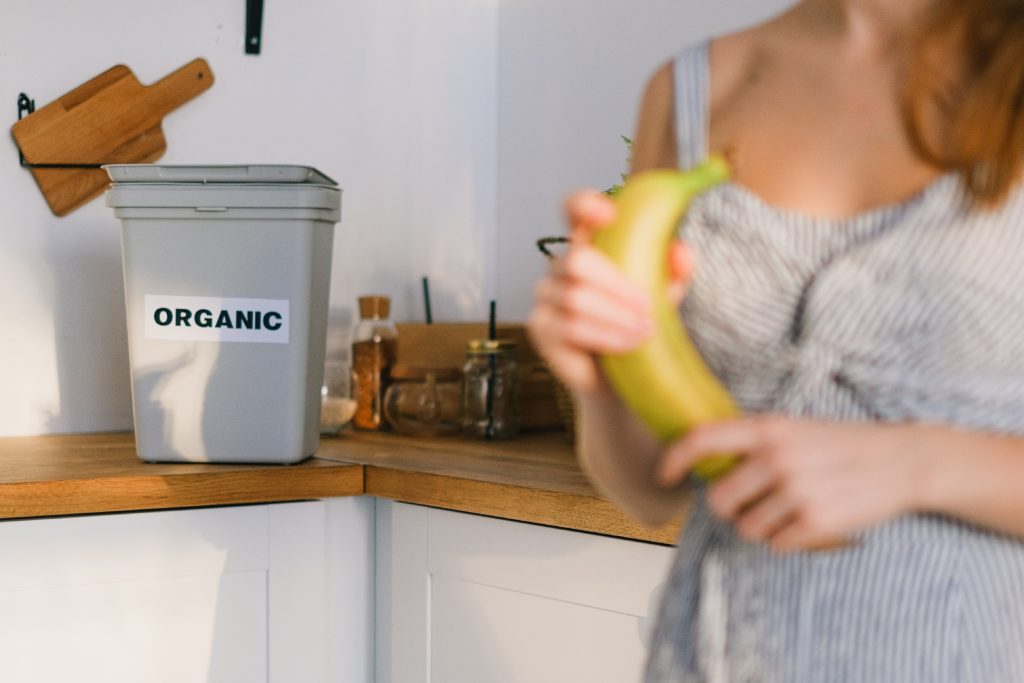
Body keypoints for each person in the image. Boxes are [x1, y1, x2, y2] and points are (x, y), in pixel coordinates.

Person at [527, 0, 1024, 680]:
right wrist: (597, 370)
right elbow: (649, 490)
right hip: (710, 653)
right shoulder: (693, 91)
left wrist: (918, 463)